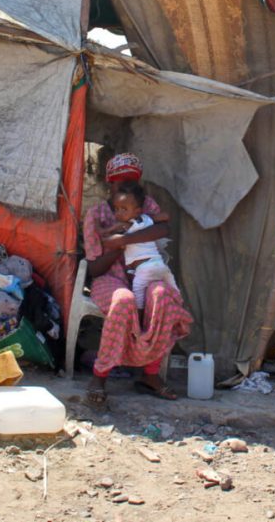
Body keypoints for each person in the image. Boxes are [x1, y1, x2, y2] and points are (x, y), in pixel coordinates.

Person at [81, 152, 192, 405]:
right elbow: (95, 269)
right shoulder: (96, 215)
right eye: (121, 182)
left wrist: (125, 239)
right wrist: (119, 247)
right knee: (123, 300)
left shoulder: (145, 203)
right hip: (110, 278)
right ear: (110, 185)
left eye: (132, 181)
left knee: (163, 296)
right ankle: (100, 375)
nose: (127, 187)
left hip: (145, 273)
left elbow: (162, 228)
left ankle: (150, 375)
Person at [108, 183, 179, 310]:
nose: (118, 213)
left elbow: (107, 236)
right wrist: (148, 217)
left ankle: (138, 321)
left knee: (138, 298)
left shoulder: (125, 226)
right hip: (161, 265)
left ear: (137, 211)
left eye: (124, 209)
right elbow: (166, 216)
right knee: (176, 294)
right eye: (116, 209)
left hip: (144, 269)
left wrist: (104, 231)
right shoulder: (146, 219)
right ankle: (179, 311)